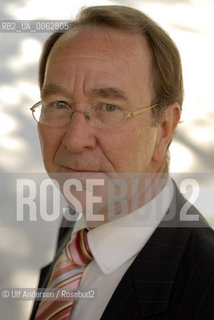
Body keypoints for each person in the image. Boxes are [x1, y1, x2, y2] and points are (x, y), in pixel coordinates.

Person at [30, 5, 214, 320]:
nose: (75, 139)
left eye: (109, 107)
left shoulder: (205, 287)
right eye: (59, 104)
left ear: (165, 128)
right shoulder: (77, 221)